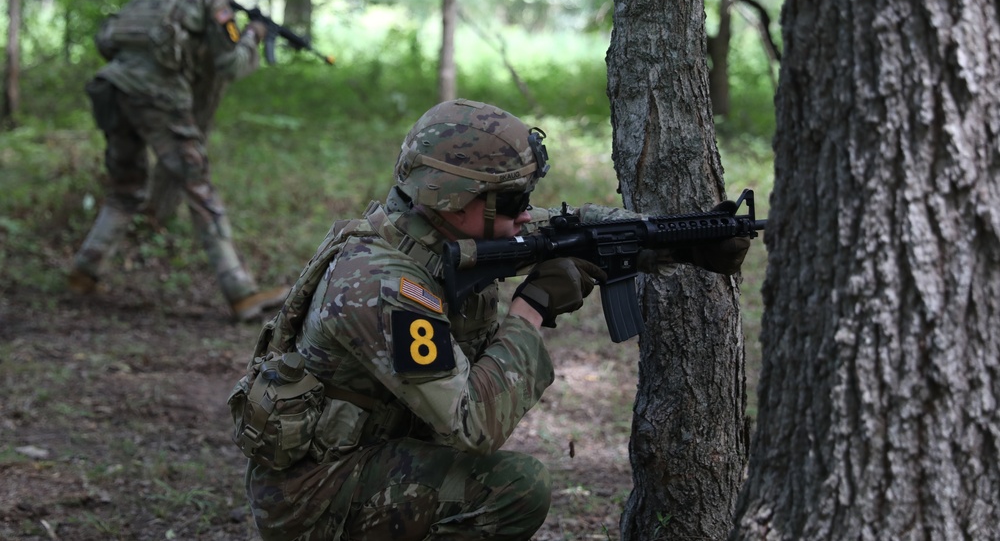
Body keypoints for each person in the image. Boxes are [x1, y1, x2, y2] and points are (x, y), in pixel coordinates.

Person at [235, 99, 751, 540]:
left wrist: (681, 241)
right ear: (455, 199)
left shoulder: (432, 234)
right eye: (514, 199)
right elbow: (471, 424)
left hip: (379, 449)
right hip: (315, 496)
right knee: (515, 487)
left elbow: (568, 228)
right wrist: (532, 307)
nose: (527, 213)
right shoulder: (382, 285)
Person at [68, 0, 287, 322]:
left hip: (112, 89)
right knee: (198, 187)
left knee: (126, 189)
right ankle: (241, 291)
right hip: (157, 98)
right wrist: (252, 35)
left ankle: (85, 271)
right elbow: (232, 65)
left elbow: (109, 40)